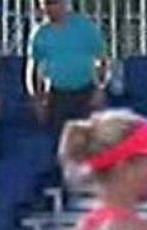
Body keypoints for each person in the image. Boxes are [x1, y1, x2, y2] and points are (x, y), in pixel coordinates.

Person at [28, 0, 108, 132]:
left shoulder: (85, 27)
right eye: (46, 3)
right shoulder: (40, 34)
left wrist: (100, 88)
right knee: (62, 141)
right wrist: (37, 100)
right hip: (57, 96)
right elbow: (33, 70)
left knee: (90, 141)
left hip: (85, 93)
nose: (50, 8)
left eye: (54, 3)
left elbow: (103, 59)